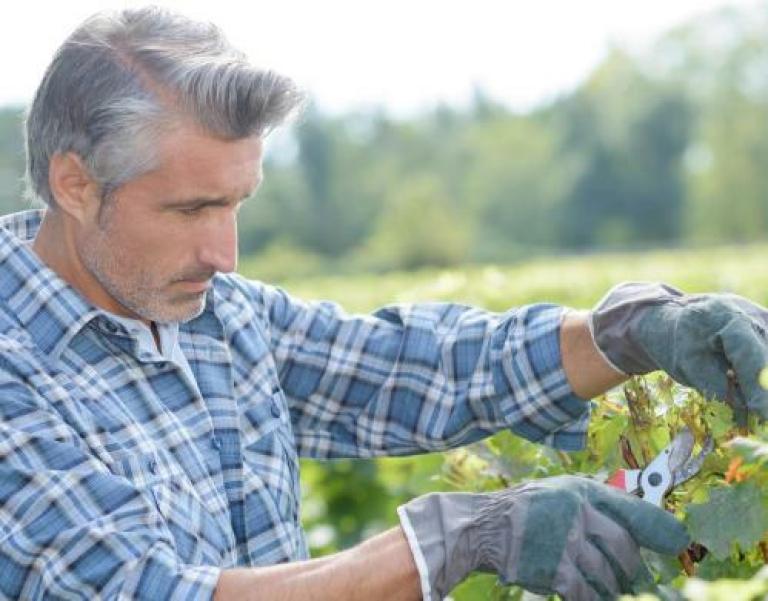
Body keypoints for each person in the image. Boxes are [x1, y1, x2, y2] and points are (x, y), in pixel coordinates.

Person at [1, 6, 767, 600]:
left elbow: (411, 367)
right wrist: (451, 540)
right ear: (75, 184)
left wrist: (622, 331)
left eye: (237, 204)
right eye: (190, 209)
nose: (224, 254)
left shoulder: (215, 315)